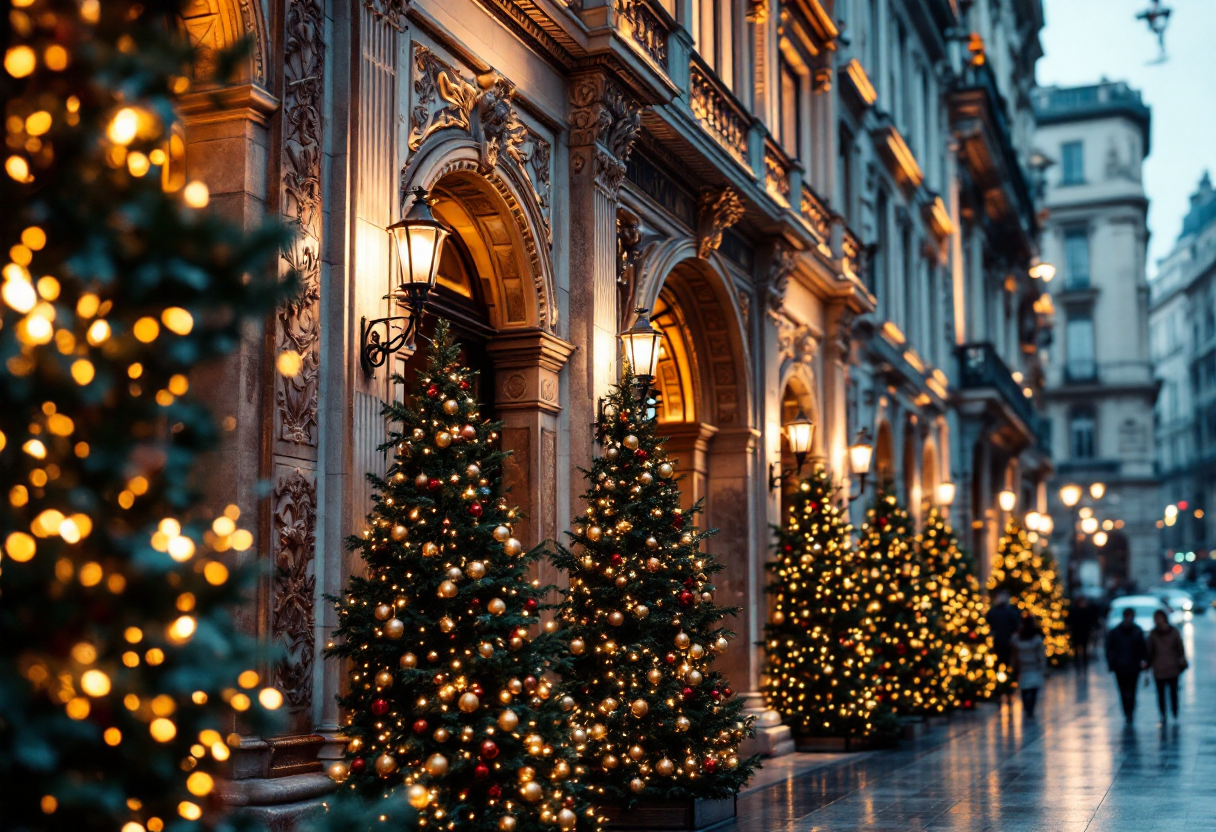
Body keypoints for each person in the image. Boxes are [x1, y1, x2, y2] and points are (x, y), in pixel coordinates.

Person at [1106, 608, 1147, 724]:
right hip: (1120, 667)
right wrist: (1111, 663)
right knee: (1123, 691)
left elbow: (1143, 648)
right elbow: (1110, 649)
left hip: (1133, 667)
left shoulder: (1137, 631)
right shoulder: (1115, 632)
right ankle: (1127, 711)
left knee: (1132, 690)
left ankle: (1130, 712)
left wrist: (1143, 661)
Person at [1145, 609, 1187, 722]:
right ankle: (1163, 714)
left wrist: (1181, 661)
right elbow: (1149, 652)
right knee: (1161, 694)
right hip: (1159, 669)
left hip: (1172, 667)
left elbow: (1180, 649)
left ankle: (1174, 710)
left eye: (1160, 618)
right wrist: (1147, 666)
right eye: (1156, 618)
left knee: (1173, 692)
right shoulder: (1153, 634)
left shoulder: (1173, 632)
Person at [1011, 615, 1046, 718]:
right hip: (1034, 667)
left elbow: (1014, 653)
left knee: (1024, 689)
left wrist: (1014, 666)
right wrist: (1043, 667)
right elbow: (1041, 655)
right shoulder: (1037, 639)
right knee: (1034, 690)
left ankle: (1027, 708)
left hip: (1023, 667)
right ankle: (1030, 709)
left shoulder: (1017, 638)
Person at [988, 590, 1022, 692]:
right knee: (1008, 665)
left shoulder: (992, 612)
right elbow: (1016, 627)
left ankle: (999, 687)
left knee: (998, 665)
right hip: (1007, 643)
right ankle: (1008, 686)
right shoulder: (1011, 612)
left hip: (998, 643)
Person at [1069, 596, 1095, 670]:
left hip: (1084, 632)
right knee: (1077, 649)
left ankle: (1084, 663)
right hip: (1076, 632)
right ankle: (1078, 663)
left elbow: (1090, 620)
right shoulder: (1074, 610)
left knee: (1084, 648)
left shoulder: (1086, 610)